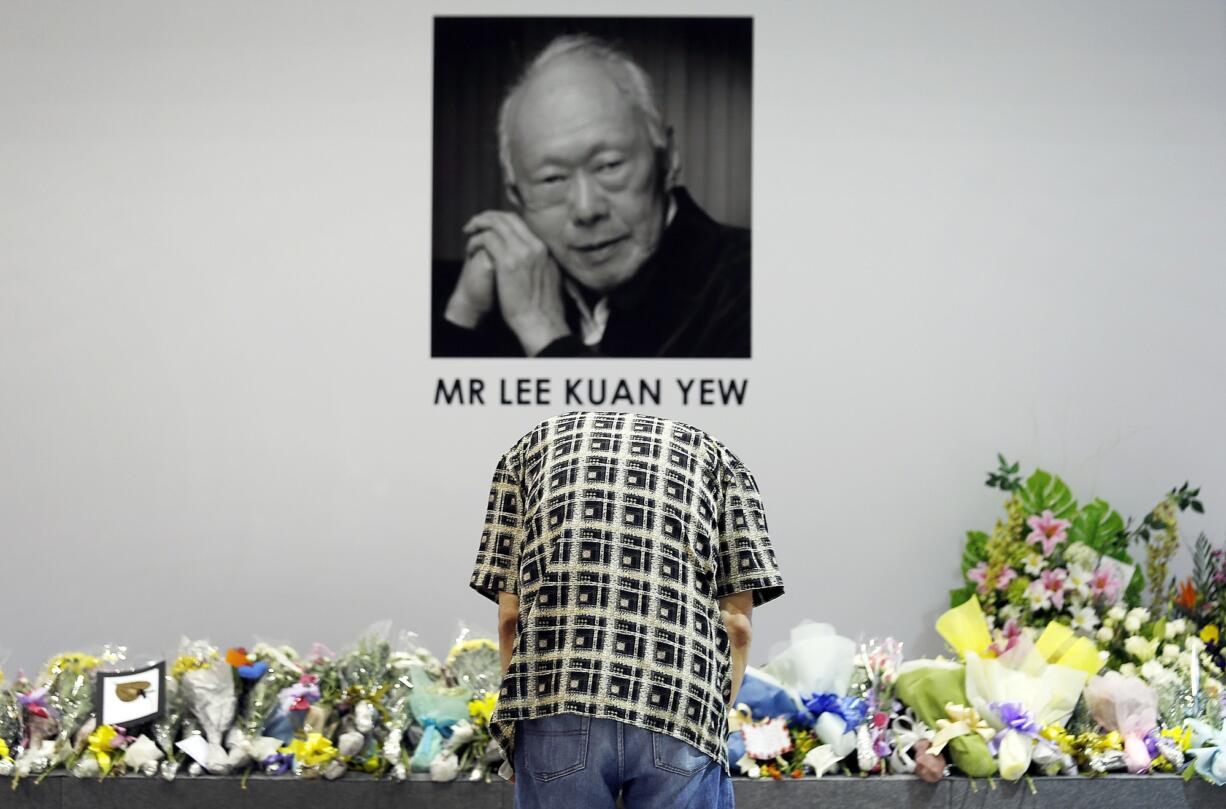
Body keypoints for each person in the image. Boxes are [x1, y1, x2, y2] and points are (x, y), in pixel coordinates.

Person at [469, 411, 784, 808]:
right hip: (678, 697)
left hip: (558, 691)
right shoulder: (717, 460)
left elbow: (510, 619)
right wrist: (713, 721)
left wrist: (521, 715)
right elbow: (737, 625)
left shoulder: (528, 452)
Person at [433, 35, 751, 358]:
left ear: (667, 160)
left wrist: (544, 334)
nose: (586, 210)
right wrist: (464, 313)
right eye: (552, 179)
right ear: (516, 194)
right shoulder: (483, 296)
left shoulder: (751, 287)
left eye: (609, 166)